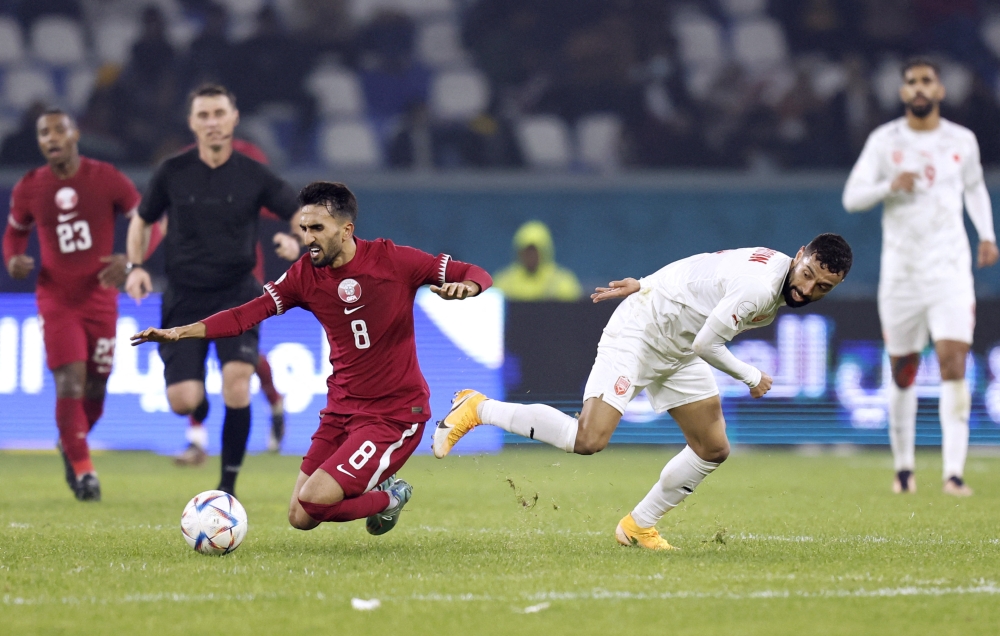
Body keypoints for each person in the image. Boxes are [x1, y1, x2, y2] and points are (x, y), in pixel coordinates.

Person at [434, 234, 852, 550]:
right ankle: (479, 408)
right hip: (642, 333)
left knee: (712, 448)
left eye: (822, 287)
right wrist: (750, 375)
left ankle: (638, 525)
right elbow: (708, 345)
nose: (807, 289)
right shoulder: (760, 287)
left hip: (678, 346)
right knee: (588, 439)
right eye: (808, 274)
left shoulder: (777, 270)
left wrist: (647, 280)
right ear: (799, 256)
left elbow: (701, 266)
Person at [131, 181, 492, 535]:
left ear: (347, 229)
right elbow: (245, 315)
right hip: (341, 411)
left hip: (393, 415)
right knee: (300, 517)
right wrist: (180, 331)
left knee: (317, 501)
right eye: (304, 228)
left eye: (317, 228)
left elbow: (474, 273)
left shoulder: (393, 259)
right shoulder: (305, 275)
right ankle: (383, 494)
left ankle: (391, 497)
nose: (307, 239)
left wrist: (469, 287)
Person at [124, 84, 302, 498]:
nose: (212, 122)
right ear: (192, 123)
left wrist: (295, 241)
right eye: (203, 115)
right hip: (184, 295)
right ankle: (199, 406)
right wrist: (135, 268)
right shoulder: (172, 171)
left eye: (219, 113)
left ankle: (227, 487)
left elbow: (297, 213)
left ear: (234, 118)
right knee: (183, 401)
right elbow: (141, 219)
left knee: (237, 381)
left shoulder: (253, 174)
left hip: (238, 292)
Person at [842, 58, 998, 497]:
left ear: (940, 90)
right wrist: (889, 185)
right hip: (902, 273)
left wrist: (987, 234)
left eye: (927, 81)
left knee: (953, 363)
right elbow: (853, 197)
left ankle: (953, 473)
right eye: (911, 82)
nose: (919, 88)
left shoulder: (961, 140)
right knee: (904, 369)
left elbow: (974, 188)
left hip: (949, 270)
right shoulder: (884, 141)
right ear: (902, 93)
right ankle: (905, 469)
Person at [2, 109, 141, 501]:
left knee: (97, 385)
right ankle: (84, 473)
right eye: (43, 132)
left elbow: (147, 221)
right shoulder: (30, 187)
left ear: (75, 132)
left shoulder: (106, 178)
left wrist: (129, 260)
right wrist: (13, 260)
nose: (51, 137)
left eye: (58, 129)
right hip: (56, 299)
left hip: (100, 298)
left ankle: (70, 442)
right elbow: (13, 236)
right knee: (70, 380)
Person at [143, 137, 289, 465]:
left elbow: (270, 202)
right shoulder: (184, 166)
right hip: (195, 281)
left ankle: (275, 402)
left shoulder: (248, 157)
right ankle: (197, 441)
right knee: (194, 349)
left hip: (240, 278)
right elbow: (162, 221)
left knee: (240, 360)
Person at [492, 220, 583, 301]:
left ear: (545, 251)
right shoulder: (503, 282)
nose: (531, 256)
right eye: (527, 251)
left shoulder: (563, 282)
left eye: (535, 251)